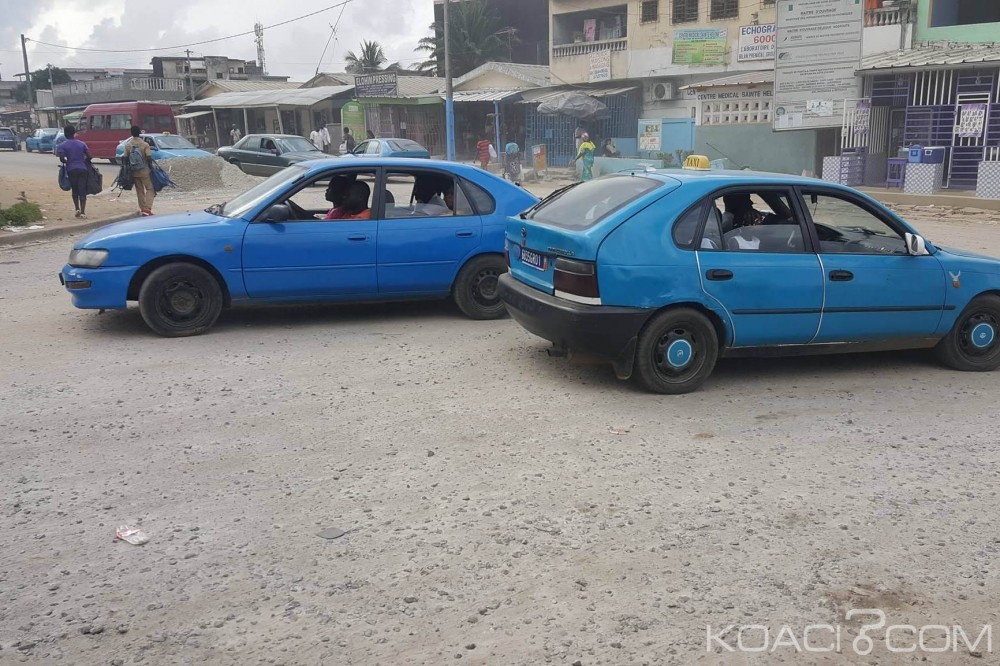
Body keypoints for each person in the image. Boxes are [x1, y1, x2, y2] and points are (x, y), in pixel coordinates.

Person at [55, 124, 92, 219]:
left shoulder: (62, 146)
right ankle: (83, 212)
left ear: (65, 134)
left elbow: (62, 159)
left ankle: (77, 209)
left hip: (71, 170)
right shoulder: (82, 144)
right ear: (74, 133)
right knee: (82, 189)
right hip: (83, 169)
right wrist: (84, 161)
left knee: (75, 189)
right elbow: (89, 156)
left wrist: (68, 161)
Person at [124, 126, 155, 216]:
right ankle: (148, 208)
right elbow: (148, 157)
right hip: (144, 170)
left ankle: (143, 209)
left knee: (139, 190)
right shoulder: (145, 144)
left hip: (134, 171)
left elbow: (125, 158)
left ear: (131, 133)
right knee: (150, 188)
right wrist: (150, 167)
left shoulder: (128, 145)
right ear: (139, 133)